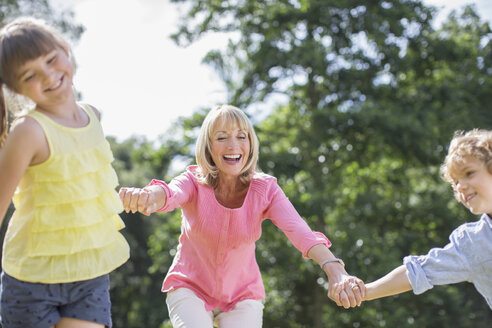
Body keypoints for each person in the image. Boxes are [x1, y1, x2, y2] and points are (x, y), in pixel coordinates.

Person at [119, 104, 365, 328]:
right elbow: (168, 193)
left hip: (243, 294)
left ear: (250, 143)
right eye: (222, 137)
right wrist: (146, 196)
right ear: (208, 147)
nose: (233, 145)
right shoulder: (193, 182)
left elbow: (300, 231)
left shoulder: (265, 189)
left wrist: (335, 269)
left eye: (241, 136)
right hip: (189, 286)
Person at [0, 17, 130, 328]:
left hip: (88, 274)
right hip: (31, 279)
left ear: (65, 49)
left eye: (51, 59)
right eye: (30, 75)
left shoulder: (94, 117)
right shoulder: (29, 132)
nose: (48, 75)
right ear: (15, 88)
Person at [341, 129, 492, 308]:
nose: (461, 186)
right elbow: (416, 272)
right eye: (456, 181)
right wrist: (363, 292)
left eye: (469, 173)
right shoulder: (472, 243)